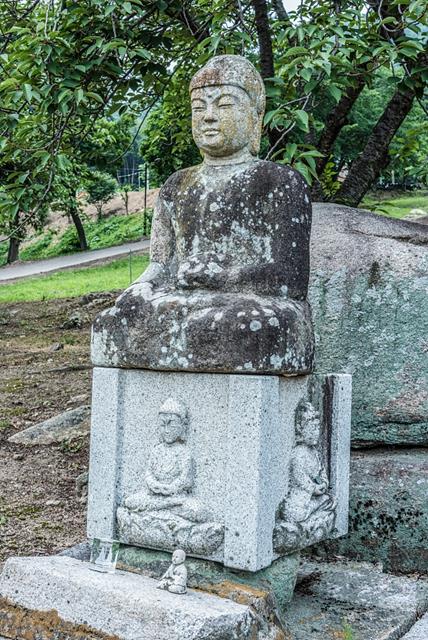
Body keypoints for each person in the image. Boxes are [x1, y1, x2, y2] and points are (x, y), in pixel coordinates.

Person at [92, 55, 314, 376]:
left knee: (251, 325)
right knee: (116, 320)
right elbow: (159, 265)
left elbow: (290, 280)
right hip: (187, 300)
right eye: (199, 108)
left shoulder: (279, 182)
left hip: (249, 306)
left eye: (223, 106)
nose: (208, 117)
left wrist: (222, 276)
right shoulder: (176, 185)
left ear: (255, 117)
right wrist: (140, 288)